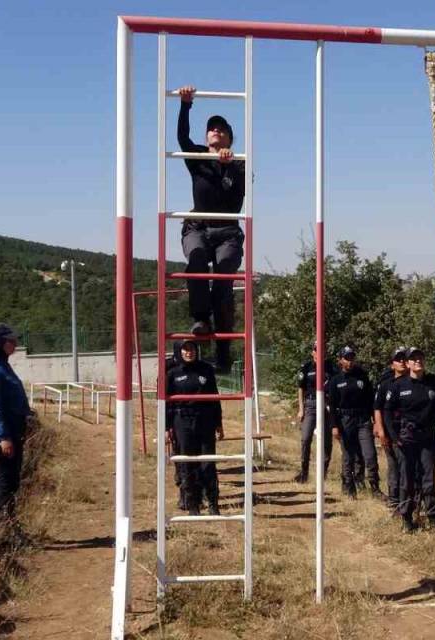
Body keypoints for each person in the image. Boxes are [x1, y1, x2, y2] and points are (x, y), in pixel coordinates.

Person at [176, 85, 247, 375]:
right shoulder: (197, 157)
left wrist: (229, 167)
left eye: (221, 129)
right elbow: (181, 137)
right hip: (198, 226)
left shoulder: (239, 164)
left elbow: (236, 201)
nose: (215, 131)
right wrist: (185, 104)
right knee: (195, 261)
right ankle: (201, 320)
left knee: (223, 278)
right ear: (206, 138)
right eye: (211, 129)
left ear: (229, 137)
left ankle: (223, 349)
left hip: (227, 231)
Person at [383, 347, 435, 531]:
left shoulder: (433, 383)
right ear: (408, 363)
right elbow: (387, 411)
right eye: (414, 359)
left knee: (429, 479)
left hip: (428, 437)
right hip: (407, 439)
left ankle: (433, 519)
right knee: (407, 479)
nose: (417, 361)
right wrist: (394, 437)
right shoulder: (398, 385)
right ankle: (407, 519)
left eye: (420, 358)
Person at [164, 340, 225, 515]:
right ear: (179, 351)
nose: (189, 352)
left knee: (208, 463)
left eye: (192, 348)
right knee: (187, 463)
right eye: (185, 349)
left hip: (205, 420)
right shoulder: (173, 373)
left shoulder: (206, 369)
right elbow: (167, 404)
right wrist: (167, 427)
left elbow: (215, 397)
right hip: (182, 420)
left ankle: (213, 504)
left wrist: (218, 423)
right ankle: (192, 505)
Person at [0, 323, 33, 520]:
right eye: (10, 340)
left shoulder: (3, 364)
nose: (15, 343)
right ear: (0, 343)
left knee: (12, 483)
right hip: (3, 436)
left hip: (13, 431)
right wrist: (5, 438)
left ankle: (8, 524)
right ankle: (2, 527)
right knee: (6, 485)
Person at [324, 346, 378, 499]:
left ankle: (374, 487)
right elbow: (332, 406)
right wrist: (334, 426)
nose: (350, 361)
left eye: (352, 357)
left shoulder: (362, 376)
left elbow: (370, 399)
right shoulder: (335, 380)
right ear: (340, 360)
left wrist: (374, 419)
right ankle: (348, 486)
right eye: (347, 358)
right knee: (348, 455)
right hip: (345, 420)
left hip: (363, 419)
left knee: (369, 455)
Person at [373, 347, 409, 509]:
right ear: (392, 364)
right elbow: (378, 408)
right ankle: (395, 500)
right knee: (394, 466)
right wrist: (380, 429)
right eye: (398, 359)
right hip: (390, 431)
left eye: (404, 358)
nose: (402, 362)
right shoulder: (386, 384)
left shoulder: (415, 382)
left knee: (408, 467)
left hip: (409, 432)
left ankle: (408, 500)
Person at [293, 345, 332, 484]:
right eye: (316, 350)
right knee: (305, 438)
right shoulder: (307, 367)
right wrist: (301, 408)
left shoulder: (330, 367)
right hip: (310, 405)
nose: (318, 352)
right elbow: (300, 388)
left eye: (321, 349)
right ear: (312, 352)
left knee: (327, 441)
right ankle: (304, 473)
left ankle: (323, 473)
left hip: (326, 406)